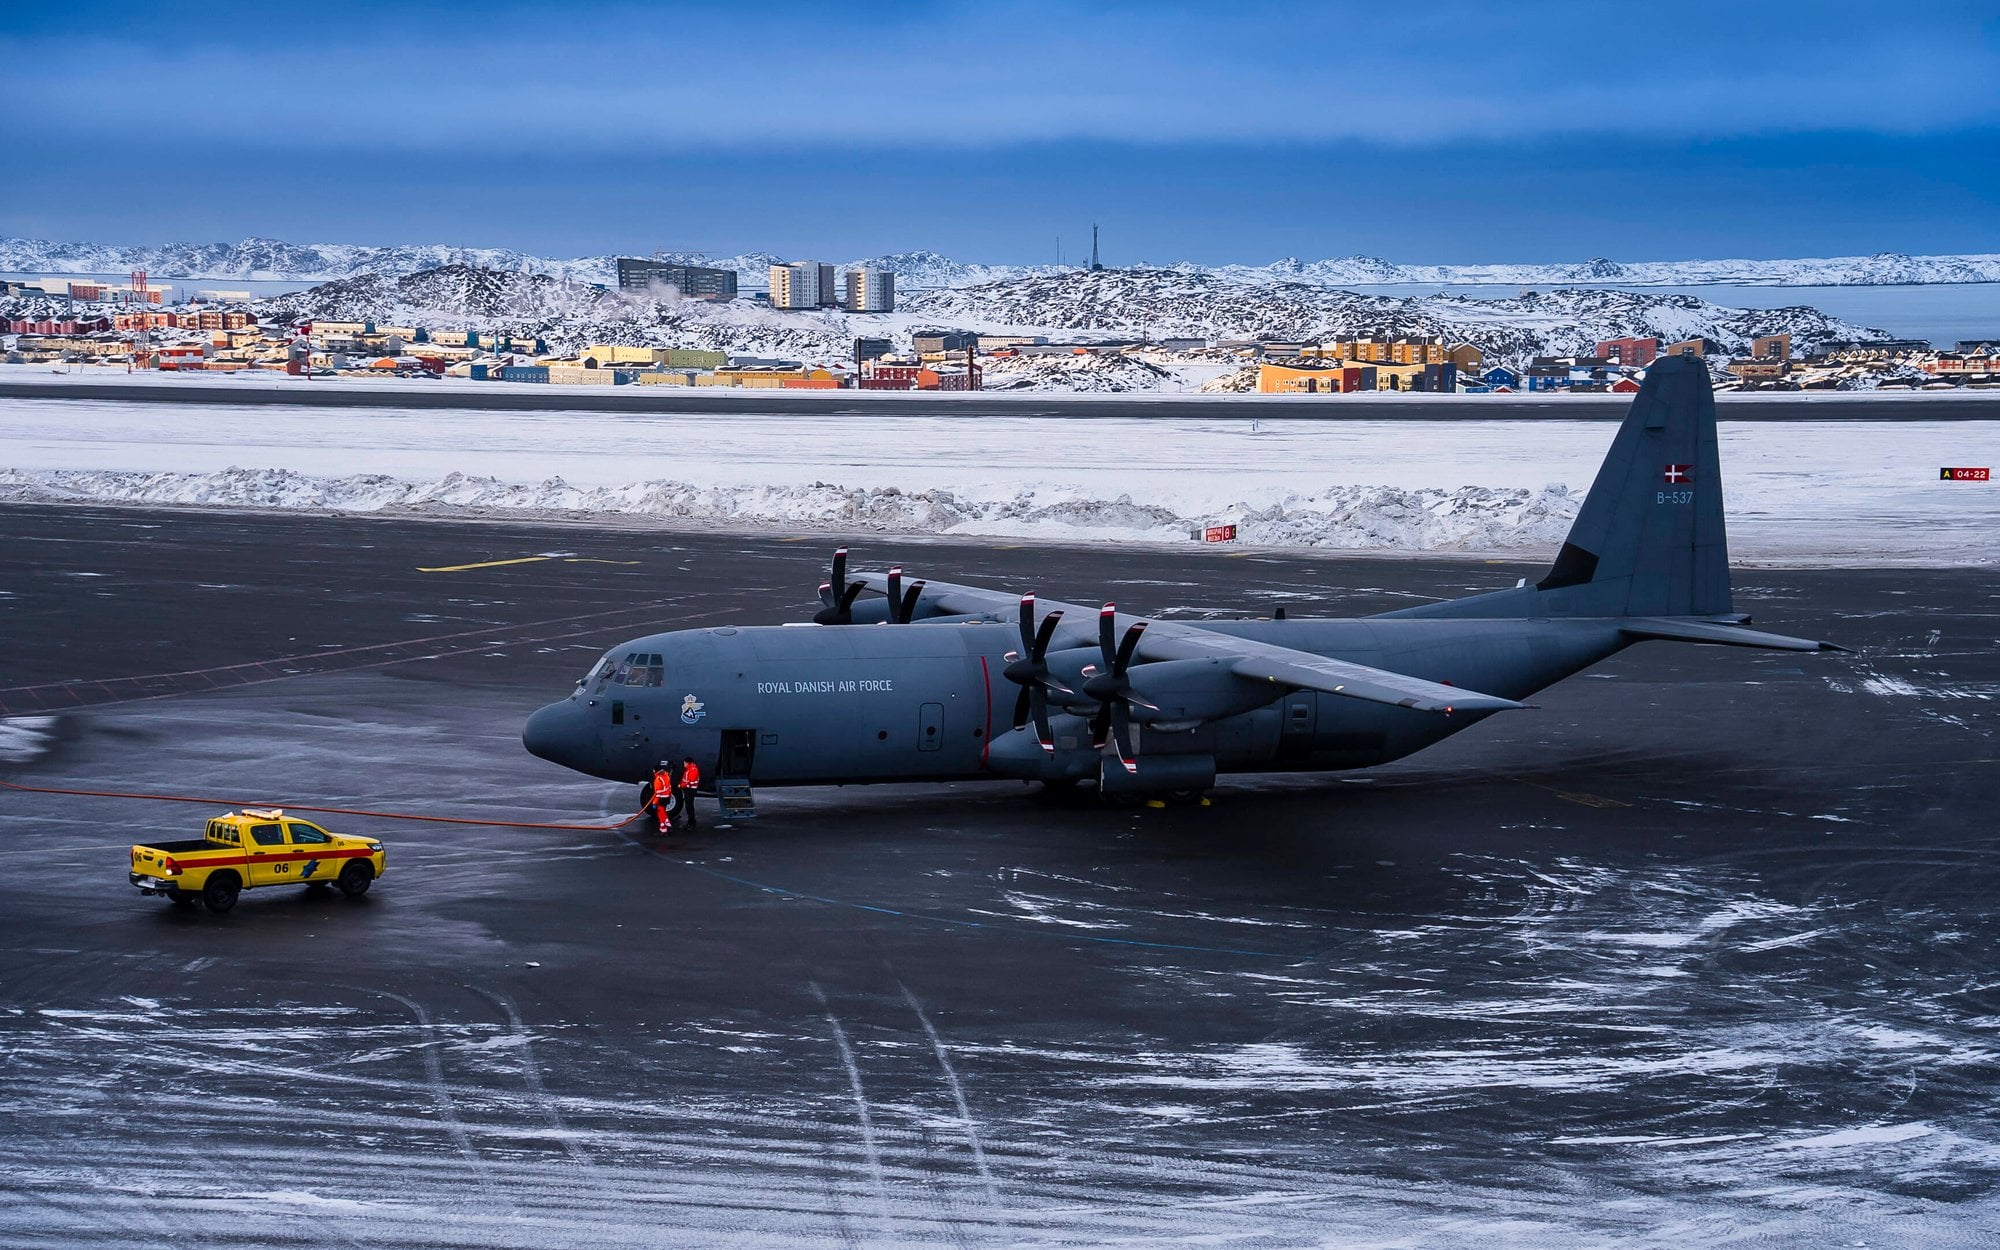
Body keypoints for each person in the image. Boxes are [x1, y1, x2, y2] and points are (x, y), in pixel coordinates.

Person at [649, 759, 675, 834]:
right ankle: (668, 824)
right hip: (667, 798)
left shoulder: (658, 779)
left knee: (660, 813)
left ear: (655, 771)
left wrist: (654, 803)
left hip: (661, 799)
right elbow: (669, 788)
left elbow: (658, 793)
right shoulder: (666, 777)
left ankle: (663, 829)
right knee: (663, 811)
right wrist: (669, 796)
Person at [678, 755, 702, 831]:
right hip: (688, 789)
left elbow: (690, 782)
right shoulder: (689, 769)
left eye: (684, 763)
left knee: (690, 807)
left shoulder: (692, 770)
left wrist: (681, 785)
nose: (684, 765)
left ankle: (691, 824)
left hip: (690, 790)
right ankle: (690, 823)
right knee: (689, 807)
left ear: (687, 763)